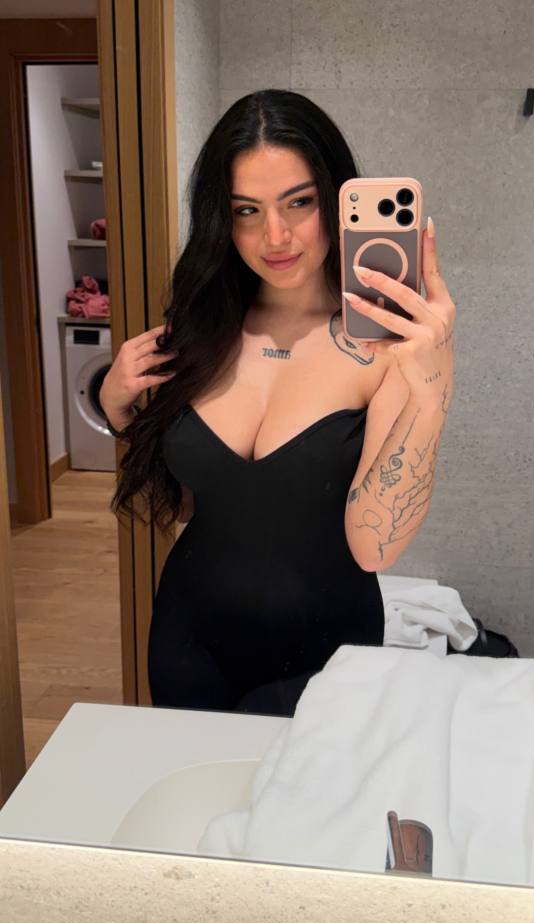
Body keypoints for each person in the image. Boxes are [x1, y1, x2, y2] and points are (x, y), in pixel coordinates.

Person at [99, 89, 455, 717]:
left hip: (328, 660)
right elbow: (183, 506)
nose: (275, 235)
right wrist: (119, 411)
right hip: (188, 642)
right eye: (246, 210)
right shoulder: (201, 329)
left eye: (299, 202)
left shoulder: (386, 348)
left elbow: (375, 548)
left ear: (335, 200)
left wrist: (431, 395)